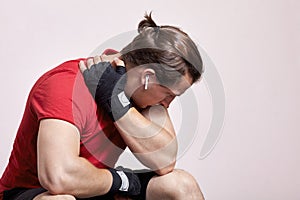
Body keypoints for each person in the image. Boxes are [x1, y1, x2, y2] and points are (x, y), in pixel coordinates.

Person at [0, 13, 205, 200]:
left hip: (92, 189)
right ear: (147, 77)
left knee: (182, 186)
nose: (168, 103)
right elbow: (58, 178)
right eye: (169, 94)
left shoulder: (142, 94)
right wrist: (121, 181)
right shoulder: (65, 85)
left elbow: (165, 162)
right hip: (29, 193)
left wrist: (117, 103)